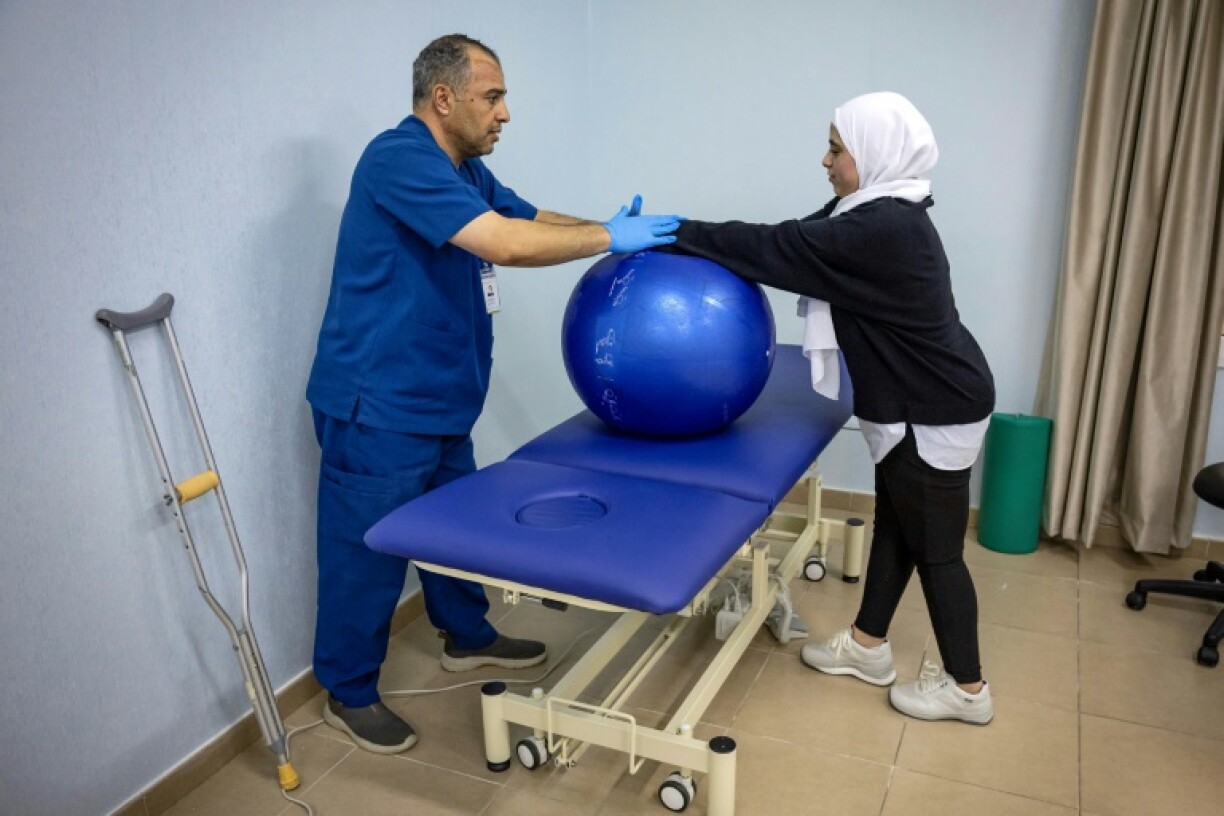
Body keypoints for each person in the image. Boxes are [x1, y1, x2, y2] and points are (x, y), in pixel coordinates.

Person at [305, 33, 681, 754]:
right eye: (493, 96)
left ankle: (465, 637)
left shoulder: (464, 170)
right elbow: (502, 246)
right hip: (377, 404)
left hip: (440, 398)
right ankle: (347, 691)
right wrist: (609, 238)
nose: (505, 113)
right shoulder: (398, 159)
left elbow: (529, 220)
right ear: (442, 98)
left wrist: (616, 229)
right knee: (365, 553)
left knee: (454, 530)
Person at [663, 91, 996, 725]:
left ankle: (968, 688)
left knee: (939, 552)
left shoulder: (882, 228)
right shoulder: (875, 210)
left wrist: (674, 232)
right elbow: (792, 238)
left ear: (872, 155)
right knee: (898, 526)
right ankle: (869, 646)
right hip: (914, 400)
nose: (826, 159)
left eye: (837, 149)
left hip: (933, 407)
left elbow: (778, 248)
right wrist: (692, 236)